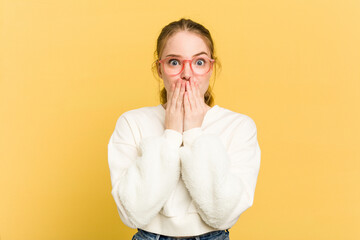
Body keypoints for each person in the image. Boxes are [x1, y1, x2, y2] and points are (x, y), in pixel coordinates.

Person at [107, 18, 261, 240]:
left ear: (211, 68)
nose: (187, 74)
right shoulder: (131, 123)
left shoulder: (238, 126)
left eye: (199, 62)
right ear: (160, 69)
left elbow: (223, 215)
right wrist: (170, 135)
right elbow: (133, 214)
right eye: (174, 62)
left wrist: (193, 133)